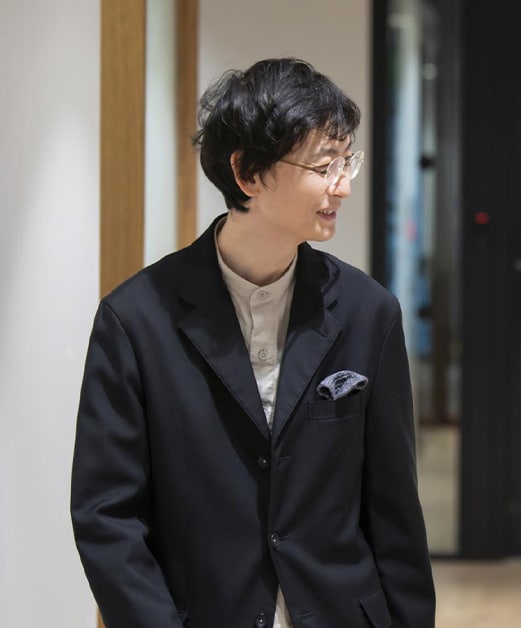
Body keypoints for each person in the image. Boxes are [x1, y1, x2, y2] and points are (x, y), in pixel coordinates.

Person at [71, 58, 435, 628]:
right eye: (324, 165)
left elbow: (394, 510)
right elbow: (107, 517)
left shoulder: (369, 313)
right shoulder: (136, 320)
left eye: (347, 161)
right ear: (247, 174)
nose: (342, 185)